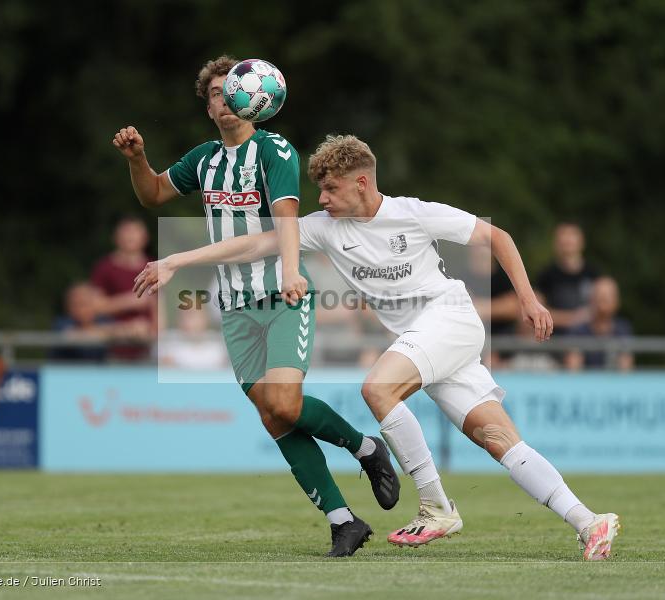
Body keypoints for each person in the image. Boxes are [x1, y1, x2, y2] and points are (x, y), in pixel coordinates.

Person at [135, 134, 621, 561]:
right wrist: (178, 258)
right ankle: (588, 522)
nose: (320, 197)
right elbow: (254, 245)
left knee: (378, 388)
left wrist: (529, 300)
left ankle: (436, 507)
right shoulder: (325, 227)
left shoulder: (414, 213)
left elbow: (498, 237)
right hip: (425, 340)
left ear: (362, 183)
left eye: (330, 188)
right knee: (497, 440)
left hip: (448, 321)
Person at [113, 56, 398, 557]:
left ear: (256, 99)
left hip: (282, 295)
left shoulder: (274, 149)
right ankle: (343, 521)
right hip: (236, 306)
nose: (227, 100)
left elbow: (287, 218)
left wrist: (291, 271)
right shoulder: (203, 159)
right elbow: (154, 194)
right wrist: (138, 159)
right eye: (217, 94)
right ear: (209, 106)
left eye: (234, 91)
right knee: (273, 417)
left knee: (284, 403)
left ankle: (364, 446)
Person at [90, 216, 157, 360]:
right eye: (126, 232)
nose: (130, 237)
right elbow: (94, 307)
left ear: (145, 238)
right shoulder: (105, 267)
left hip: (147, 348)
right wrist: (130, 301)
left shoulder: (154, 267)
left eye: (134, 233)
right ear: (116, 238)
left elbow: (159, 309)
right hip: (112, 347)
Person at [535, 223, 600, 334]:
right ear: (555, 244)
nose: (567, 241)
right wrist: (573, 318)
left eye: (571, 236)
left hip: (590, 340)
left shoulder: (594, 274)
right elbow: (536, 312)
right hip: (555, 340)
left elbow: (605, 308)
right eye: (563, 237)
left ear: (582, 242)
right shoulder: (546, 276)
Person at [564, 277, 634, 371]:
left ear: (617, 301)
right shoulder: (578, 331)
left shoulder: (623, 329)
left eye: (608, 296)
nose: (603, 301)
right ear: (591, 300)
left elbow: (625, 371)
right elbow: (573, 372)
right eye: (599, 296)